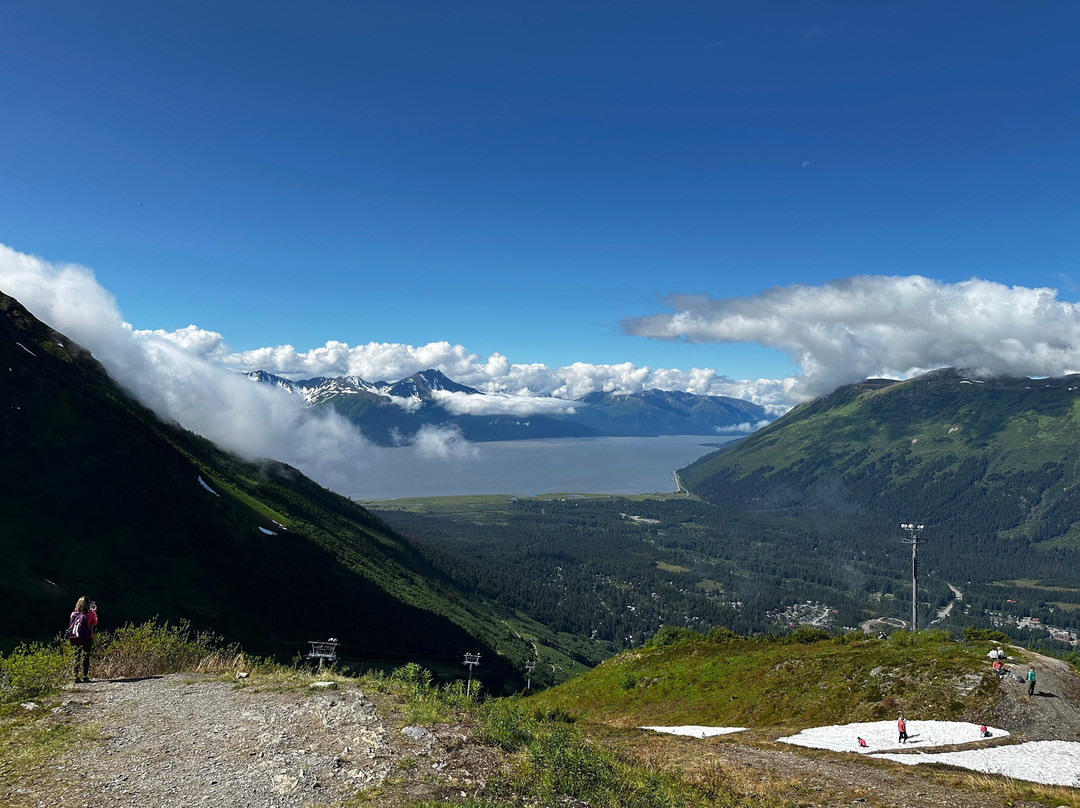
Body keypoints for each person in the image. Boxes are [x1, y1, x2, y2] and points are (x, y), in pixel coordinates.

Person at [67, 596, 99, 683]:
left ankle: (76, 676)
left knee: (77, 656)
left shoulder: (73, 614)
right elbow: (95, 623)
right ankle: (85, 676)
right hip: (87, 637)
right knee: (86, 656)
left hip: (75, 636)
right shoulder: (90, 614)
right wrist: (94, 612)